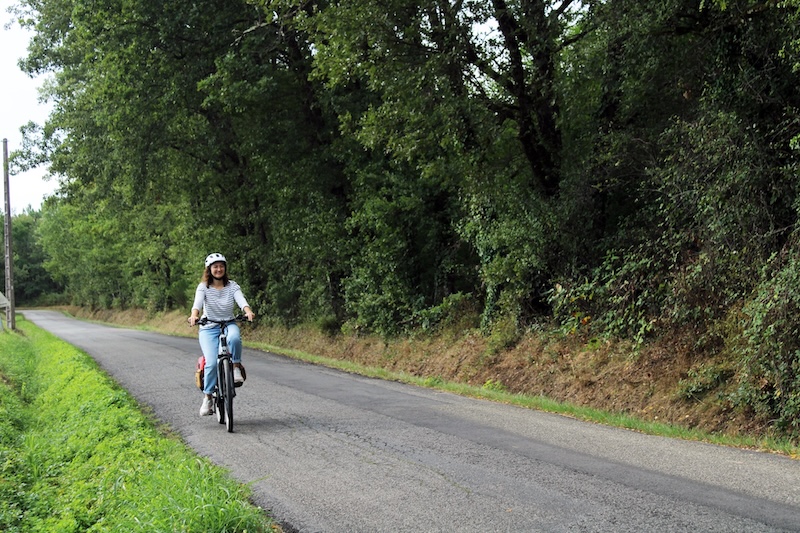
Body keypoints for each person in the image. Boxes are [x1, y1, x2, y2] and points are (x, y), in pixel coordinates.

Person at [188, 253, 255, 416]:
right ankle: (208, 397)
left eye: (221, 266)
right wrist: (194, 315)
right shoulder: (203, 286)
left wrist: (248, 311)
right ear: (209, 270)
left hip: (228, 323)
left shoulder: (232, 286)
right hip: (208, 327)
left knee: (234, 338)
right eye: (215, 266)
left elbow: (241, 300)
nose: (218, 269)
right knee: (210, 363)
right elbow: (197, 303)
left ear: (225, 268)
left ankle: (236, 367)